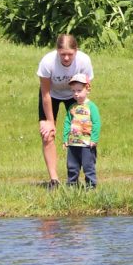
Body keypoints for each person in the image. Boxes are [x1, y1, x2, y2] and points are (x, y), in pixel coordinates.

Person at [36, 34, 94, 189]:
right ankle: (54, 179)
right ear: (57, 51)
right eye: (63, 54)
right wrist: (50, 122)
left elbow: (86, 88)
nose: (67, 58)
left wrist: (83, 111)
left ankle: (80, 177)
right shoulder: (47, 63)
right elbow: (45, 94)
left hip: (74, 95)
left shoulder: (84, 61)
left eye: (70, 54)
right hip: (51, 96)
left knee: (80, 133)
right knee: (47, 134)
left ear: (76, 51)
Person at [62, 73, 101, 188]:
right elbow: (67, 123)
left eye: (79, 90)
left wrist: (94, 139)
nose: (76, 94)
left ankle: (91, 187)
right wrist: (65, 138)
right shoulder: (72, 107)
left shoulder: (91, 107)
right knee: (72, 166)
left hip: (87, 144)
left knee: (88, 166)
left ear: (87, 89)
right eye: (73, 91)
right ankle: (72, 186)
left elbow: (96, 123)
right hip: (73, 142)